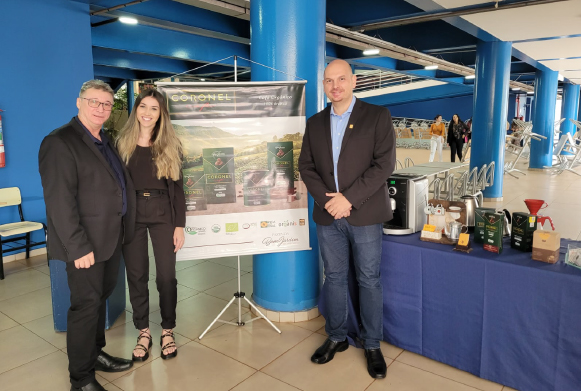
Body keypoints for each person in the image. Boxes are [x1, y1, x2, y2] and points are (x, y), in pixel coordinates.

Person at [298, 59, 396, 379]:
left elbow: (383, 166)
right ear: (324, 85)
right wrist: (329, 203)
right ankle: (337, 336)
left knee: (368, 279)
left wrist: (348, 199)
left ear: (354, 81)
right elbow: (307, 167)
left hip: (364, 213)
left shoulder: (376, 116)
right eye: (329, 81)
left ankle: (371, 344)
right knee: (335, 277)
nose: (335, 86)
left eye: (341, 79)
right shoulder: (314, 123)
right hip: (328, 215)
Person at [38, 80, 136, 391]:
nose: (101, 109)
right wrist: (77, 247)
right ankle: (80, 379)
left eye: (107, 104)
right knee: (84, 307)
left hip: (109, 239)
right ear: (78, 102)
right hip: (84, 245)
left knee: (99, 301)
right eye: (94, 102)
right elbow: (59, 202)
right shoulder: (59, 142)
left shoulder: (104, 139)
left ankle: (96, 355)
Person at [116, 89, 186, 362]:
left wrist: (179, 225)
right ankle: (143, 331)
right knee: (136, 275)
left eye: (154, 108)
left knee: (166, 276)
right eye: (143, 106)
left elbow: (179, 189)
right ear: (136, 110)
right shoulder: (122, 143)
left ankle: (167, 330)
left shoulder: (170, 144)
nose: (147, 112)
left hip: (162, 212)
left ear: (161, 114)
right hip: (131, 212)